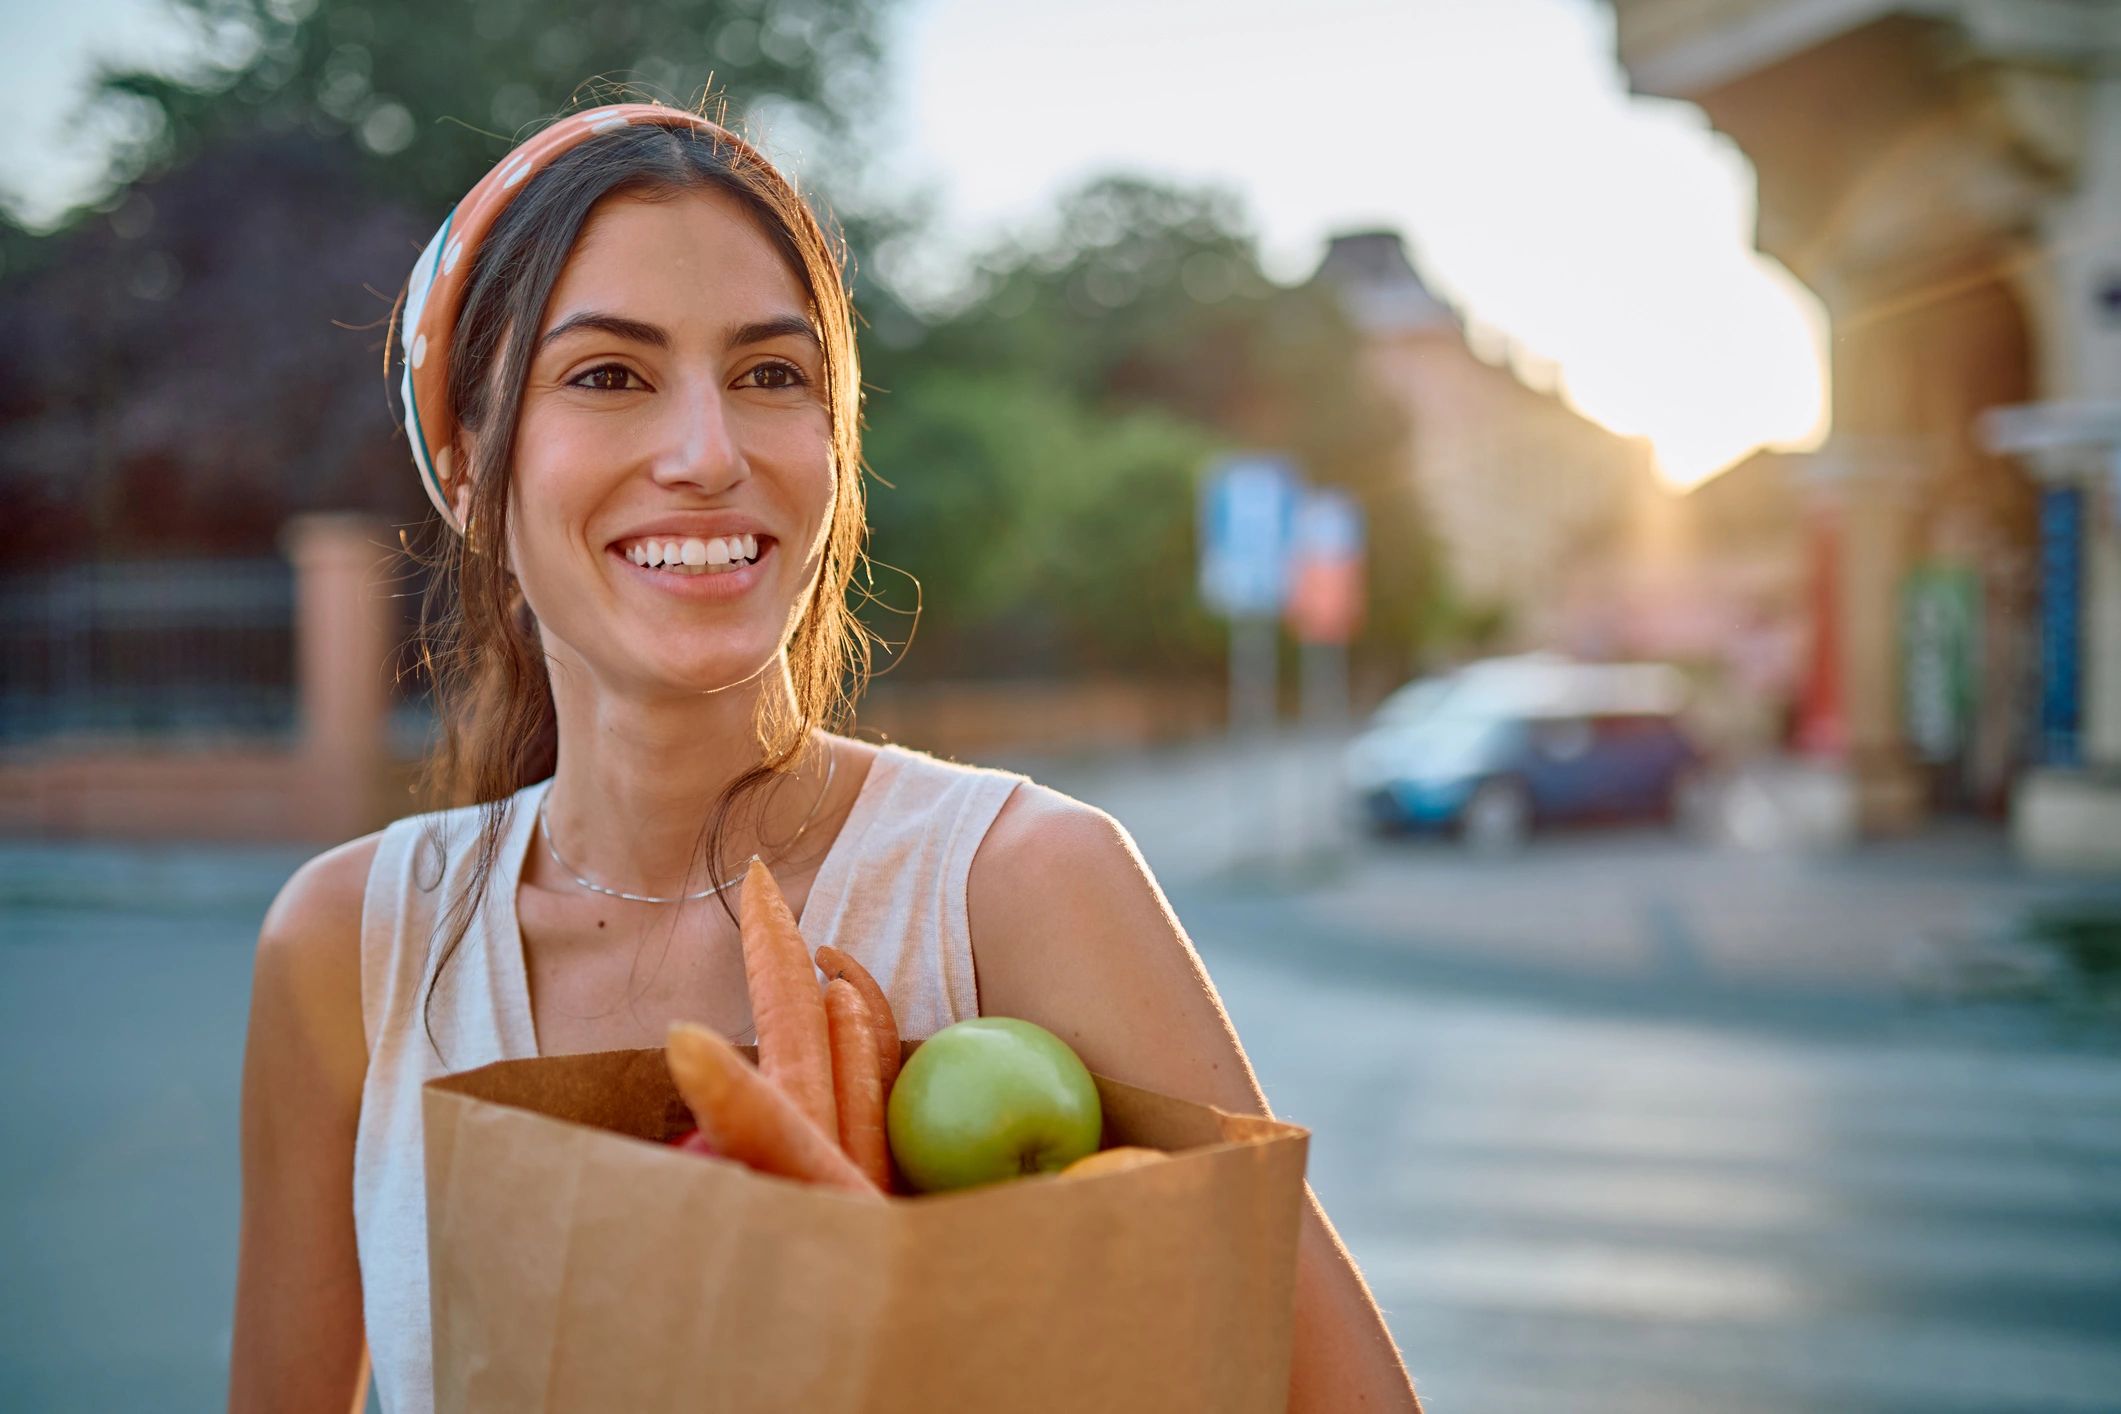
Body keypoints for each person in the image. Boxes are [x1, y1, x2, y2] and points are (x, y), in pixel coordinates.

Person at [227, 99, 1420, 1413]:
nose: (708, 453)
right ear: (465, 468)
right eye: (609, 375)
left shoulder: (1021, 883)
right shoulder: (351, 949)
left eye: (770, 375)